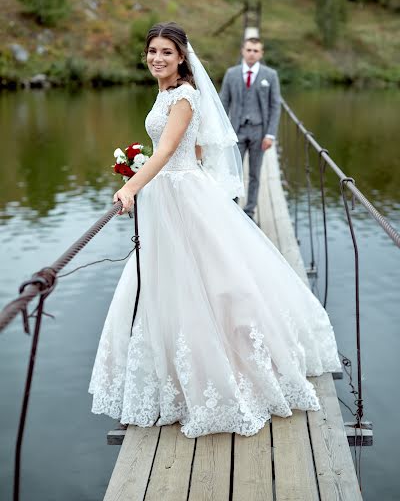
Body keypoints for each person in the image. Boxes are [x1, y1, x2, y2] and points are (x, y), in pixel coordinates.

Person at [89, 22, 340, 438]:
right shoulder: (166, 92)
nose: (157, 58)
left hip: (183, 195)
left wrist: (132, 184)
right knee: (171, 281)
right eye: (151, 51)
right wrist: (142, 165)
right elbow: (187, 146)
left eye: (166, 52)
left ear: (182, 57)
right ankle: (173, 376)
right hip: (168, 193)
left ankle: (229, 371)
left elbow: (169, 150)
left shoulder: (185, 95)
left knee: (208, 280)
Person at [220, 38, 281, 221]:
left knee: (255, 172)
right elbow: (223, 102)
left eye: (256, 50)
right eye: (249, 49)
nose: (252, 53)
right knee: (234, 171)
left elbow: (275, 106)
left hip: (259, 131)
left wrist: (270, 134)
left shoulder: (270, 75)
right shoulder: (231, 74)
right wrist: (222, 130)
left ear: (261, 54)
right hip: (236, 131)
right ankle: (233, 207)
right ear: (242, 51)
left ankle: (250, 211)